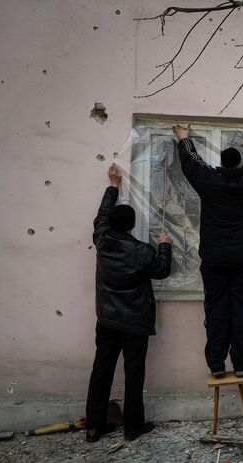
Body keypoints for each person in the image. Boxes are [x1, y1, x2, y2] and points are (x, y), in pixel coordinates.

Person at [172, 123, 243, 379]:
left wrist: (184, 138)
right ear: (241, 166)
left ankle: (216, 365)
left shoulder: (209, 182)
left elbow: (191, 163)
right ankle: (241, 365)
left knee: (215, 310)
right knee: (242, 311)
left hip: (215, 259)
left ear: (223, 165)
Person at [86, 164, 173, 442]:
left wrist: (113, 185)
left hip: (107, 319)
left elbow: (101, 216)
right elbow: (161, 271)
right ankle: (133, 427)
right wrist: (164, 245)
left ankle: (94, 427)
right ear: (133, 225)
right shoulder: (141, 252)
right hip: (134, 321)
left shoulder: (102, 238)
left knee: (102, 370)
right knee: (134, 373)